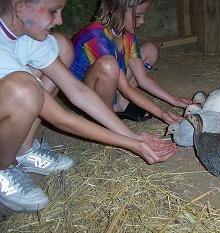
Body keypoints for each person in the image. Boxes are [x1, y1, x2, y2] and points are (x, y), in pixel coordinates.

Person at [0, 0, 177, 212]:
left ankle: (23, 149)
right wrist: (132, 144)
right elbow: (60, 117)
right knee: (25, 90)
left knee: (60, 46)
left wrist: (133, 136)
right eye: (52, 11)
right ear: (19, 6)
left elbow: (78, 92)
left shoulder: (26, 37)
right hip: (18, 93)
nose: (60, 20)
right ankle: (3, 167)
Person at [70, 0, 192, 122]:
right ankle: (105, 115)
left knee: (150, 50)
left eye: (144, 15)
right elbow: (126, 89)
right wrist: (161, 114)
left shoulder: (126, 33)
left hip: (107, 84)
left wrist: (174, 100)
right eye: (138, 16)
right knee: (108, 65)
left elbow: (143, 79)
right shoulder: (97, 37)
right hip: (84, 97)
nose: (142, 21)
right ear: (117, 9)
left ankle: (118, 102)